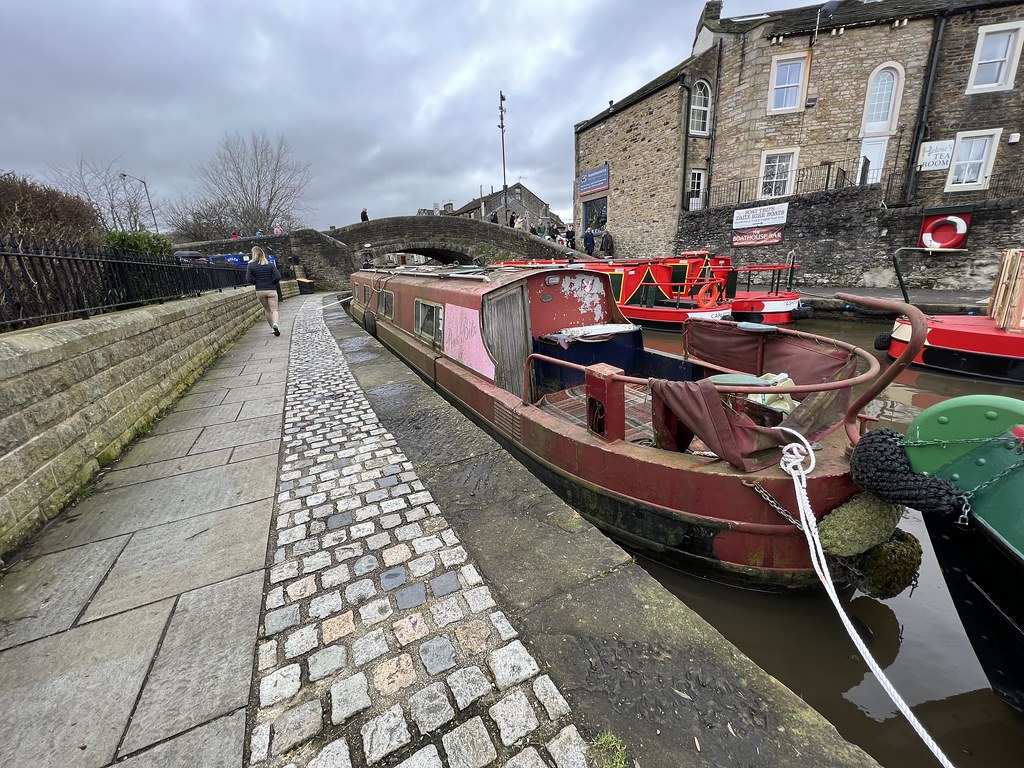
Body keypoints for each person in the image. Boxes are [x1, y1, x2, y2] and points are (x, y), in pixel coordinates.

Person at [246, 245, 283, 337]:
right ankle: (275, 324)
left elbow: (249, 279)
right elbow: (278, 277)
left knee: (267, 310)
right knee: (274, 310)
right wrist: (272, 282)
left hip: (260, 290)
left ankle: (272, 328)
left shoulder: (251, 266)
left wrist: (257, 282)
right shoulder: (270, 265)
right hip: (271, 290)